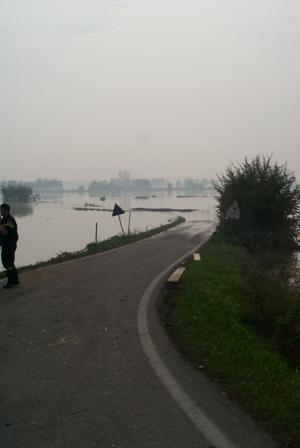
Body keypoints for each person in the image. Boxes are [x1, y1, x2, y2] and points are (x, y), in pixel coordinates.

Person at [0, 203, 19, 289]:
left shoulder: (10, 220)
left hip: (9, 245)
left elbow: (5, 232)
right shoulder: (5, 219)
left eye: (1, 209)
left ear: (6, 210)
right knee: (10, 263)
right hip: (7, 244)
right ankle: (15, 279)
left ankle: (10, 282)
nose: (0, 211)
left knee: (7, 263)